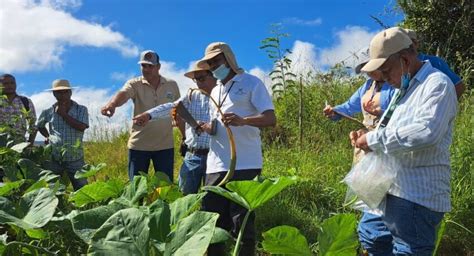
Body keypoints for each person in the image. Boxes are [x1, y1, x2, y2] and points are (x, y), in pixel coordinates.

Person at [351, 27, 457, 255]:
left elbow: (426, 132)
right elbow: (390, 130)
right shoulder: (403, 89)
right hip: (389, 186)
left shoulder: (437, 85)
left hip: (416, 193)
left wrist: (374, 138)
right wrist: (365, 137)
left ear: (405, 60)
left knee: (409, 249)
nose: (385, 79)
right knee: (370, 236)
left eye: (387, 72)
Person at [197, 42, 276, 256]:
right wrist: (210, 128)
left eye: (217, 61)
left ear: (229, 59)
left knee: (241, 222)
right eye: (210, 63)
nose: (214, 66)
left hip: (245, 162)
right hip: (215, 164)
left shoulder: (251, 83)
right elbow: (217, 125)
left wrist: (244, 120)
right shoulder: (216, 89)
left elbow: (270, 118)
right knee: (212, 221)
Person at [323, 49, 396, 255]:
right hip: (365, 149)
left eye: (372, 70)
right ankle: (374, 242)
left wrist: (381, 113)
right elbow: (349, 106)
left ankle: (378, 239)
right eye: (366, 71)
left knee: (386, 198)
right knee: (369, 196)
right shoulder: (367, 86)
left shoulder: (396, 86)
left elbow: (402, 113)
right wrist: (334, 111)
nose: (369, 74)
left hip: (386, 148)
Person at [132, 62, 217, 194]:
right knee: (184, 196)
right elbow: (172, 107)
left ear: (214, 76)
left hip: (215, 156)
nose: (198, 83)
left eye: (202, 79)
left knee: (212, 198)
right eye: (196, 80)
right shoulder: (192, 96)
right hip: (193, 156)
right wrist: (149, 115)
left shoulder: (225, 97)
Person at [101, 50, 180, 181]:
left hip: (165, 146)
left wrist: (184, 137)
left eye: (150, 66)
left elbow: (178, 109)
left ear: (158, 67)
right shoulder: (134, 84)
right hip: (139, 145)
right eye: (143, 66)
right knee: (137, 189)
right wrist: (112, 104)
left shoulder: (172, 84)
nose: (146, 69)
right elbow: (124, 94)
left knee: (164, 188)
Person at [37, 79, 89, 190]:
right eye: (59, 92)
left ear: (70, 92)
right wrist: (47, 136)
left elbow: (82, 127)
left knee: (82, 187)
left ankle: (84, 207)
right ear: (54, 94)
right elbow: (40, 125)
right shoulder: (48, 111)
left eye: (65, 91)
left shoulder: (81, 109)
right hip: (54, 157)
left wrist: (63, 114)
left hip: (75, 157)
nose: (63, 94)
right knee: (51, 188)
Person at [404, 28, 465, 99]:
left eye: (407, 43)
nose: (404, 47)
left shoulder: (434, 62)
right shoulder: (396, 68)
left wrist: (444, 106)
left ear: (416, 44)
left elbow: (458, 86)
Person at [0, 74, 37, 144]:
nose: (9, 85)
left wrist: (30, 144)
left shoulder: (25, 101)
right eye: (6, 83)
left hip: (19, 144)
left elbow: (33, 125)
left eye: (12, 83)